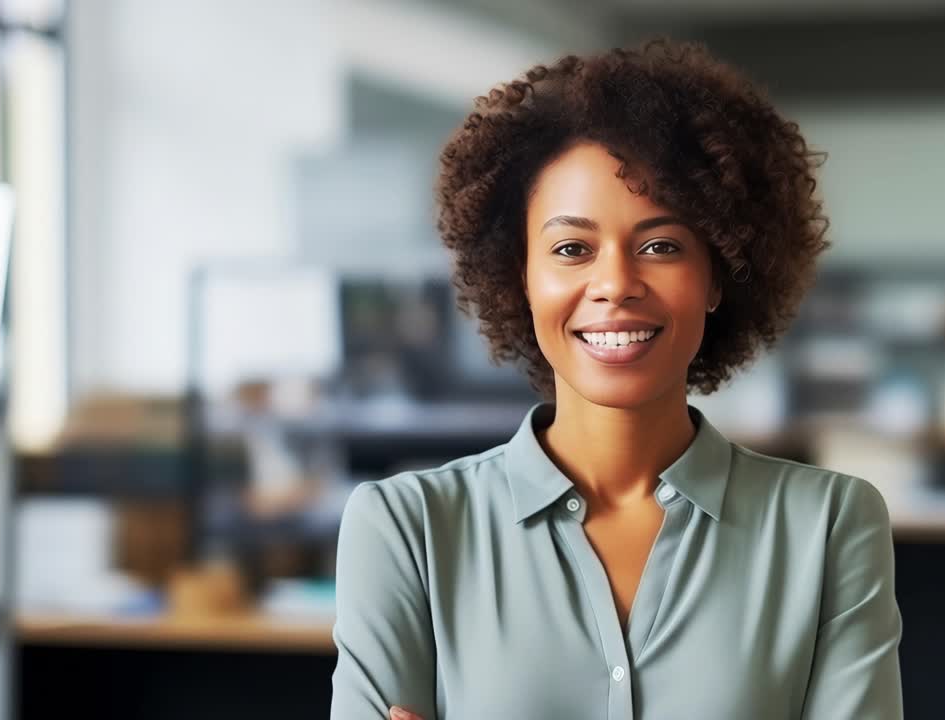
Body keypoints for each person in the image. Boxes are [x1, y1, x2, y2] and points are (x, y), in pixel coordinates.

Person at [329, 37, 903, 720]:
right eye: (572, 249)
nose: (615, 286)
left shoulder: (830, 528)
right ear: (520, 278)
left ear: (718, 273)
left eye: (660, 246)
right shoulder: (406, 532)